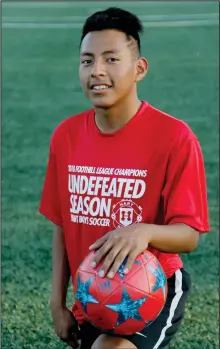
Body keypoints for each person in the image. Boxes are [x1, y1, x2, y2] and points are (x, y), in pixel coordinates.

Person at [39, 7, 210, 349]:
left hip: (149, 290)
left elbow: (189, 235)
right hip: (94, 294)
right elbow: (62, 224)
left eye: (111, 59)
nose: (96, 71)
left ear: (139, 69)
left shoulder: (174, 137)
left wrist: (143, 231)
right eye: (87, 61)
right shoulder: (66, 136)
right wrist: (57, 304)